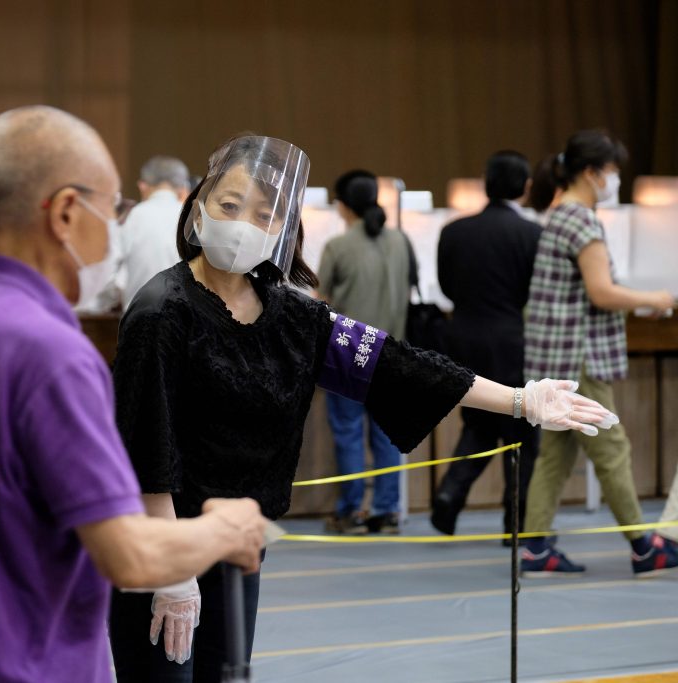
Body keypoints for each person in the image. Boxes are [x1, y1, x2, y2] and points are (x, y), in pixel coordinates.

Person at [109, 134, 619, 682]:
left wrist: (521, 399)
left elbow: (398, 364)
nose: (243, 224)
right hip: (162, 545)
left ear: (281, 228)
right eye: (229, 206)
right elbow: (146, 445)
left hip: (236, 546)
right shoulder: (162, 311)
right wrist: (170, 572)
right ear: (199, 208)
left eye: (263, 213)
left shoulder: (290, 315)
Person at [0, 106, 267, 683]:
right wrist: (226, 529)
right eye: (112, 206)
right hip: (7, 662)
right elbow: (125, 552)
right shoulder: (51, 351)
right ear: (68, 212)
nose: (115, 228)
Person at [521, 129, 678, 577]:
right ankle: (643, 545)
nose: (613, 180)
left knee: (555, 453)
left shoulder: (558, 215)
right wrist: (654, 298)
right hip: (579, 356)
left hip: (557, 353)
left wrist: (637, 300)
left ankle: (536, 546)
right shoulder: (582, 220)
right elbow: (602, 292)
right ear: (591, 173)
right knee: (612, 448)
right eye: (610, 171)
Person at [431, 151, 542, 541]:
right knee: (521, 431)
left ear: (485, 181)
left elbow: (445, 286)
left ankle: (449, 495)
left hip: (462, 335)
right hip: (512, 337)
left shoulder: (454, 230)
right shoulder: (532, 234)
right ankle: (516, 523)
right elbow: (535, 291)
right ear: (526, 187)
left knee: (477, 423)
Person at [316, 170, 412, 534]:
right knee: (386, 435)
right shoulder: (400, 241)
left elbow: (320, 302)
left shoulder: (338, 247)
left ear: (343, 206)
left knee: (348, 433)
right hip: (393, 351)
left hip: (348, 355)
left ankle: (351, 510)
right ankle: (386, 511)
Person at [89, 155, 189, 311]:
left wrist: (97, 306)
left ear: (143, 186)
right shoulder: (192, 218)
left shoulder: (133, 217)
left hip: (140, 318)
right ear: (183, 188)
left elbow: (110, 272)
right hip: (187, 320)